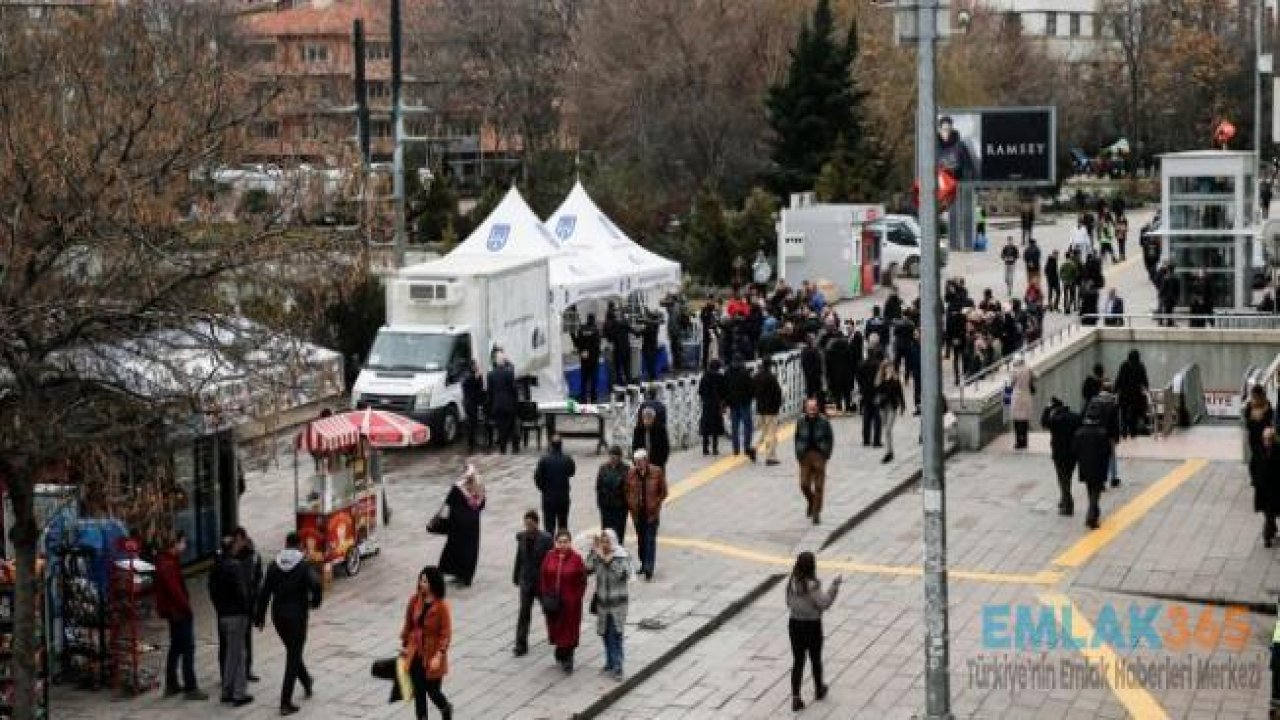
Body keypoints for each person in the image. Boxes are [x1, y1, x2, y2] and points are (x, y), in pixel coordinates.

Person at [255, 532, 322, 716]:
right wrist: (315, 602)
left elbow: (264, 592)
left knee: (293, 651)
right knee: (294, 655)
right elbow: (316, 584)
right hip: (297, 616)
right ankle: (285, 702)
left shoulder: (274, 565)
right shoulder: (303, 565)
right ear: (300, 545)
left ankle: (307, 681)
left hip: (278, 616)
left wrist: (259, 616)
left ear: (285, 544)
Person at [785, 551, 841, 712]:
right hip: (812, 626)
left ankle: (796, 697)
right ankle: (819, 689)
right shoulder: (812, 586)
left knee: (798, 660)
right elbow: (825, 603)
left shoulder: (791, 581)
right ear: (812, 567)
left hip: (794, 624)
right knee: (815, 658)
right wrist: (834, 586)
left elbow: (788, 602)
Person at [155, 532, 208, 700]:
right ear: (175, 544)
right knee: (188, 649)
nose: (184, 546)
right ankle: (190, 687)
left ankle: (172, 683)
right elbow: (175, 591)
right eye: (182, 543)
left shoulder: (167, 561)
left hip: (174, 612)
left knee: (176, 647)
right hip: (178, 612)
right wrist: (187, 608)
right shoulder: (168, 564)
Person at [399, 566, 453, 720]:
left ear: (433, 583)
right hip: (416, 652)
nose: (421, 584)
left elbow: (446, 634)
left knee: (433, 691)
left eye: (425, 581)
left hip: (433, 654)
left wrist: (439, 655)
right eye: (420, 580)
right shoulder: (414, 600)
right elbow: (408, 624)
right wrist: (404, 646)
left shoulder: (442, 607)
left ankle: (445, 707)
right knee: (419, 692)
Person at [209, 536, 254, 706]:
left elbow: (211, 591)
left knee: (230, 654)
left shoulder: (216, 567)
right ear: (232, 549)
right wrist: (247, 610)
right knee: (240, 655)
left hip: (223, 616)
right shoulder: (235, 567)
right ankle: (238, 694)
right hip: (237, 615)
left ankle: (227, 689)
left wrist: (219, 608)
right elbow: (242, 591)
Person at [539, 529, 588, 672]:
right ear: (556, 543)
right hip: (554, 602)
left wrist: (577, 596)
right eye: (560, 542)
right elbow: (543, 576)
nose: (562, 545)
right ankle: (560, 651)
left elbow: (582, 580)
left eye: (565, 542)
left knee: (569, 630)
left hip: (571, 604)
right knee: (556, 628)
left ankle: (568, 658)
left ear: (570, 543)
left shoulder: (576, 559)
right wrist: (545, 595)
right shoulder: (549, 557)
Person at [585, 528, 631, 682]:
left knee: (616, 634)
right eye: (602, 541)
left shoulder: (621, 556)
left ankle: (618, 666)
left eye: (607, 541)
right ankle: (609, 662)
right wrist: (593, 550)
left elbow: (624, 574)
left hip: (618, 604)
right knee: (604, 633)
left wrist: (608, 560)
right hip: (603, 603)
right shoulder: (598, 556)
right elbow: (587, 568)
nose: (604, 544)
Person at [512, 510, 552, 657]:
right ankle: (520, 644)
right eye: (526, 523)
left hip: (541, 582)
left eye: (530, 523)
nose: (528, 526)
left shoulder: (546, 539)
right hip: (526, 581)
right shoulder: (521, 537)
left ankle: (554, 635)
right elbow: (519, 558)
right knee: (524, 613)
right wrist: (516, 576)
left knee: (549, 609)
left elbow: (551, 560)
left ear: (536, 523)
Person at [439, 466, 486, 586]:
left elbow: (448, 502)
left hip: (457, 524)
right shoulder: (479, 487)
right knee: (470, 550)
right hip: (473, 525)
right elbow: (481, 505)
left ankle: (457, 573)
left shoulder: (458, 487)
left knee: (455, 548)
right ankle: (466, 577)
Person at [626, 449, 668, 580]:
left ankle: (649, 567)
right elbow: (626, 491)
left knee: (650, 540)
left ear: (646, 460)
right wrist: (631, 504)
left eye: (641, 461)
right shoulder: (631, 474)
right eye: (636, 462)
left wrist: (656, 503)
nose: (639, 464)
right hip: (638, 513)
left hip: (651, 513)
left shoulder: (657, 472)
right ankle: (644, 563)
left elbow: (664, 491)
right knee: (641, 540)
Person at [794, 398, 834, 525]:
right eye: (809, 408)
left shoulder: (824, 421)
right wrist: (798, 453)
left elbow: (830, 438)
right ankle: (811, 501)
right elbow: (797, 437)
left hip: (819, 455)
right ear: (805, 408)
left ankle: (816, 513)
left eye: (813, 407)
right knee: (804, 484)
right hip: (805, 456)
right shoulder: (800, 421)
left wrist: (826, 454)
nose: (811, 410)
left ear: (817, 408)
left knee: (819, 486)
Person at [1074, 401, 1112, 530]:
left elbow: (1075, 450)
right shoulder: (1102, 433)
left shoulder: (1080, 432)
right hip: (1099, 467)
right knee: (1096, 493)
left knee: (1090, 490)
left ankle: (1094, 513)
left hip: (1085, 467)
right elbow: (1107, 452)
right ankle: (1091, 516)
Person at [232, 526, 263, 684]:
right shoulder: (230, 557)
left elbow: (259, 578)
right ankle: (232, 670)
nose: (236, 544)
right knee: (233, 640)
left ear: (244, 539)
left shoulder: (254, 555)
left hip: (248, 603)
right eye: (234, 541)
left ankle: (247, 668)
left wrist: (255, 598)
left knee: (247, 637)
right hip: (234, 605)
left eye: (239, 540)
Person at [1041, 398, 1081, 516]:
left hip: (1059, 454)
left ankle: (1068, 505)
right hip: (1073, 454)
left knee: (1063, 479)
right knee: (1067, 477)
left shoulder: (1055, 419)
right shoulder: (1076, 417)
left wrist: (1047, 409)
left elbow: (1044, 422)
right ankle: (1063, 500)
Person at [533, 436, 575, 534]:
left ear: (550, 445)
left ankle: (550, 547)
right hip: (563, 496)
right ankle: (563, 546)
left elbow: (537, 478)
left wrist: (544, 489)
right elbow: (572, 472)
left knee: (549, 527)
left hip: (548, 497)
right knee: (563, 525)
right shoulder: (567, 459)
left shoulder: (544, 460)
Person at [595, 446, 630, 544]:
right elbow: (598, 487)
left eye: (615, 457)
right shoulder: (603, 468)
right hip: (606, 506)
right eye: (611, 457)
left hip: (620, 508)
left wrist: (626, 505)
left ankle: (618, 553)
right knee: (606, 534)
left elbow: (629, 489)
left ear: (620, 457)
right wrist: (600, 504)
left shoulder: (626, 469)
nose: (612, 459)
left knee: (619, 533)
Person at [487, 350, 519, 453]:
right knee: (512, 426)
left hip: (497, 405)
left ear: (495, 362)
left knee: (501, 428)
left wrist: (491, 405)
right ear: (504, 361)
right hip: (509, 404)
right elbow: (514, 389)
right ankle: (515, 448)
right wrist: (515, 402)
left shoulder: (491, 375)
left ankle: (502, 448)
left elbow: (490, 392)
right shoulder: (509, 373)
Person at [753, 359, 784, 466]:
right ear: (770, 366)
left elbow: (753, 391)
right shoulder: (771, 378)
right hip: (771, 410)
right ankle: (770, 457)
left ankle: (754, 448)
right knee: (771, 433)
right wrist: (778, 405)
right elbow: (778, 394)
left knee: (762, 431)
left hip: (760, 408)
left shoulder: (756, 376)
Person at [725, 358, 756, 460]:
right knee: (748, 426)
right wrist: (750, 398)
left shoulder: (728, 374)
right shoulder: (745, 374)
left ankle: (736, 449)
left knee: (735, 427)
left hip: (733, 404)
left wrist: (727, 401)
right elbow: (752, 388)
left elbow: (725, 389)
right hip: (744, 404)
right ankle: (746, 446)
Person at [1114, 350, 1150, 438]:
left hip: (1124, 395)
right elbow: (1144, 380)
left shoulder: (1124, 365)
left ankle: (1124, 432)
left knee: (1123, 414)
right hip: (1136, 395)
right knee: (1134, 414)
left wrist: (1115, 390)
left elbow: (1119, 379)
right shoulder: (1140, 366)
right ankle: (1133, 432)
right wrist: (1146, 388)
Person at [877, 362, 905, 464]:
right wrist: (885, 381)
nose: (889, 370)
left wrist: (903, 406)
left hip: (892, 407)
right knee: (886, 430)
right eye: (887, 368)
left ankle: (888, 452)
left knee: (888, 429)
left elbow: (900, 394)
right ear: (883, 369)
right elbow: (879, 391)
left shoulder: (895, 381)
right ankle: (890, 451)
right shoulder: (880, 380)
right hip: (883, 407)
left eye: (890, 368)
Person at [697, 359, 727, 455]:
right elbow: (724, 391)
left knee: (706, 425)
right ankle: (715, 448)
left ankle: (705, 448)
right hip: (716, 404)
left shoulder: (705, 377)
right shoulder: (720, 377)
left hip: (706, 404)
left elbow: (700, 391)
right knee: (716, 426)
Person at [1008, 354, 1035, 450]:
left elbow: (1011, 383)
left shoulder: (1014, 370)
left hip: (1017, 396)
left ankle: (1018, 441)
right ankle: (1025, 441)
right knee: (1024, 420)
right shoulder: (1028, 369)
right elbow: (1036, 376)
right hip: (1026, 395)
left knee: (1017, 420)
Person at [573, 313, 602, 403]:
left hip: (584, 358)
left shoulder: (581, 329)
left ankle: (583, 398)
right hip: (593, 359)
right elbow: (597, 344)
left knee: (584, 379)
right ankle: (593, 398)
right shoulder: (596, 330)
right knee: (593, 379)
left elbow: (577, 343)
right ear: (593, 320)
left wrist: (572, 336)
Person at [857, 348, 882, 447]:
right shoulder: (877, 365)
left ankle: (866, 439)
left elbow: (858, 378)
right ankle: (876, 440)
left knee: (866, 417)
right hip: (875, 393)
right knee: (877, 419)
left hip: (865, 394)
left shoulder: (861, 364)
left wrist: (862, 389)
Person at [604, 307, 633, 386]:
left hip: (618, 349)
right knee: (626, 368)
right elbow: (632, 330)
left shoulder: (613, 324)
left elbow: (609, 336)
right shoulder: (625, 322)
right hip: (626, 348)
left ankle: (622, 384)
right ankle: (629, 383)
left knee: (618, 369)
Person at [462, 359, 484, 452]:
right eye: (476, 365)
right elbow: (478, 389)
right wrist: (478, 378)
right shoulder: (471, 377)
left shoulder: (465, 376)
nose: (477, 367)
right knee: (472, 423)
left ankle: (471, 442)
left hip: (467, 402)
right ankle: (471, 443)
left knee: (471, 422)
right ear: (473, 367)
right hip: (471, 403)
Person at [800, 335, 824, 408]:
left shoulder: (804, 351)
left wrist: (806, 372)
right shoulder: (815, 351)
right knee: (819, 392)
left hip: (808, 375)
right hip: (816, 375)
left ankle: (809, 407)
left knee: (809, 392)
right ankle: (820, 407)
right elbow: (818, 363)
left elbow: (803, 363)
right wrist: (820, 372)